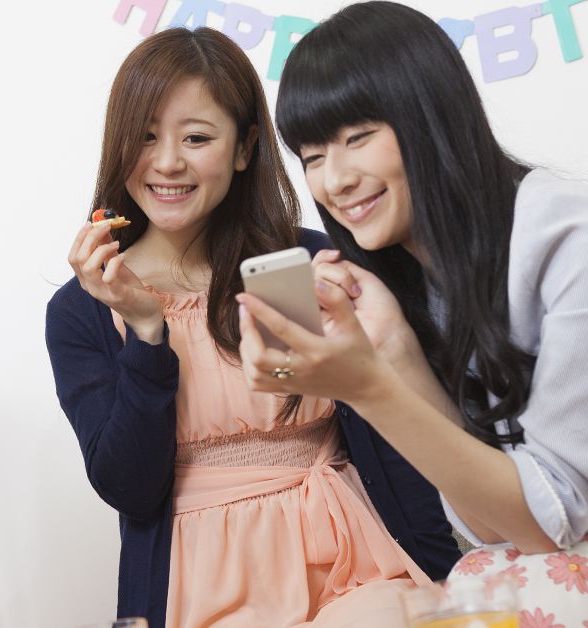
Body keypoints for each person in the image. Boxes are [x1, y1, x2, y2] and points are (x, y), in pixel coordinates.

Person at [46, 27, 458, 628]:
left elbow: (393, 438)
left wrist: (451, 579)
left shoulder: (299, 264)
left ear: (244, 148)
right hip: (200, 586)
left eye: (196, 137)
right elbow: (131, 489)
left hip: (355, 564)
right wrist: (146, 331)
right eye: (145, 136)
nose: (167, 161)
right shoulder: (85, 306)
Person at [238, 1, 588, 623]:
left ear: (432, 116)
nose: (335, 180)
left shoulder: (569, 241)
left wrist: (368, 387)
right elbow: (493, 526)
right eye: (313, 156)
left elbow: (551, 524)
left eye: (358, 138)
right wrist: (395, 350)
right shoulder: (422, 279)